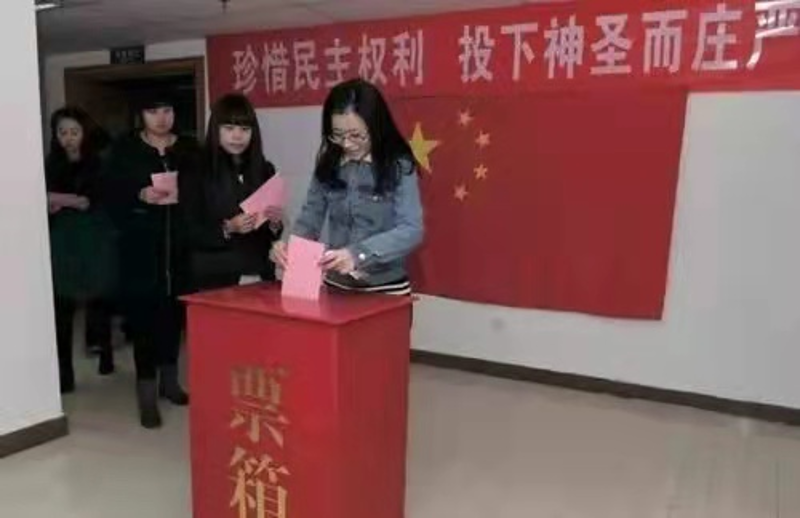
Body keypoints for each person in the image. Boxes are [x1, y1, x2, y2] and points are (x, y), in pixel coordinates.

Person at [271, 79, 424, 295]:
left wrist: (358, 254)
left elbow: (411, 230)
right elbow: (310, 218)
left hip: (385, 289)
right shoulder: (329, 164)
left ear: (376, 126)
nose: (347, 144)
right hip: (337, 286)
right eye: (338, 135)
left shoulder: (398, 166)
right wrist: (290, 247)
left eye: (356, 135)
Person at [104, 92, 198, 428]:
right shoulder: (125, 151)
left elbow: (203, 191)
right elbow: (109, 196)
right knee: (144, 323)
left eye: (167, 110)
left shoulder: (189, 149)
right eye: (153, 111)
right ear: (141, 115)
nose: (161, 118)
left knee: (173, 319)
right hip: (140, 251)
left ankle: (169, 383)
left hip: (180, 251)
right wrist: (139, 195)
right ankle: (146, 395)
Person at [46, 106, 117, 393]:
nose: (68, 138)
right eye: (62, 132)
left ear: (84, 133)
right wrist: (66, 201)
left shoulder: (98, 163)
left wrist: (61, 200)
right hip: (62, 242)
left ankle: (106, 351)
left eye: (74, 132)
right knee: (62, 306)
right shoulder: (50, 164)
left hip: (94, 239)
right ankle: (65, 373)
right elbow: (44, 200)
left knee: (99, 300)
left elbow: (89, 201)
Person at [184, 93, 283, 292]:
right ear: (216, 130)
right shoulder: (196, 168)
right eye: (229, 128)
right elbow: (188, 228)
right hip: (215, 274)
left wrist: (274, 223)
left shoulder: (265, 169)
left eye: (245, 129)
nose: (237, 136)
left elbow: (269, 234)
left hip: (258, 271)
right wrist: (228, 227)